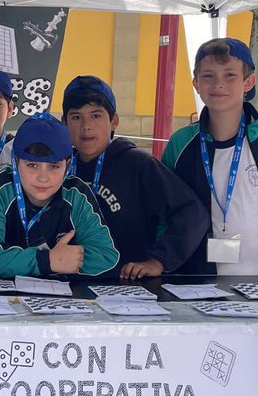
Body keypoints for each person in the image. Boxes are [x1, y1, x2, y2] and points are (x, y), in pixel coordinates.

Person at [62, 75, 206, 278]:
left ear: (114, 121)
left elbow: (192, 212)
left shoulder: (139, 164)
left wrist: (159, 260)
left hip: (125, 286)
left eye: (96, 116)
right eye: (76, 117)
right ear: (64, 123)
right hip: (68, 281)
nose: (86, 126)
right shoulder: (58, 168)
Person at [161, 38, 258, 274]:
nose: (218, 84)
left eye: (230, 75)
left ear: (248, 82)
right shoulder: (181, 143)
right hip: (198, 282)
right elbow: (164, 210)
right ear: (196, 83)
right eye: (208, 76)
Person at [0, 113, 119, 278]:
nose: (43, 177)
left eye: (53, 167)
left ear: (67, 165)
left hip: (61, 300)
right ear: (16, 162)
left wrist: (58, 261)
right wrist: (47, 261)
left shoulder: (76, 195)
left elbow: (107, 258)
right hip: (0, 301)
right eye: (32, 165)